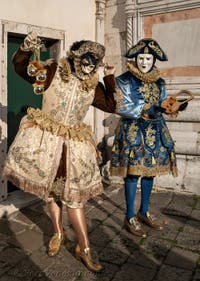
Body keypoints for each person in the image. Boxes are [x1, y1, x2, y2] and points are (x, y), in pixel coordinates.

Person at [3, 31, 116, 272]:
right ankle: (58, 232)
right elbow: (23, 68)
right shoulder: (54, 71)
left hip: (73, 147)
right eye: (86, 61)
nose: (88, 67)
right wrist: (25, 47)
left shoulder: (92, 85)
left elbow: (110, 105)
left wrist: (109, 77)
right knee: (52, 193)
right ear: (76, 57)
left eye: (94, 64)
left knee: (74, 198)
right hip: (47, 143)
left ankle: (84, 247)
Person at [110, 38, 187, 238]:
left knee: (150, 172)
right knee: (133, 174)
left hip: (155, 132)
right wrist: (149, 108)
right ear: (136, 59)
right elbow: (121, 107)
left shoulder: (160, 81)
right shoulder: (124, 80)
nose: (144, 62)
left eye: (148, 58)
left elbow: (163, 103)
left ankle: (144, 212)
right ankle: (129, 216)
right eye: (141, 58)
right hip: (133, 132)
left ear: (154, 60)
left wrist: (174, 105)